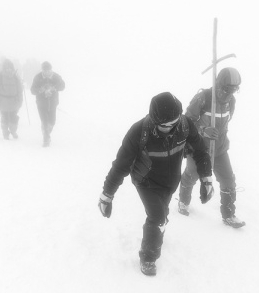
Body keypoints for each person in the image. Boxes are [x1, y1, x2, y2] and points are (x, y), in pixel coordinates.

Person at [98, 92, 213, 276]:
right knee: (158, 217)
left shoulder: (184, 125)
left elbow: (200, 150)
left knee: (163, 213)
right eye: (165, 125)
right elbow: (120, 166)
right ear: (154, 119)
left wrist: (206, 178)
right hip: (146, 182)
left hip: (171, 181)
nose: (171, 128)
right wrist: (107, 195)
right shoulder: (138, 132)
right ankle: (148, 257)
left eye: (174, 122)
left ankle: (157, 230)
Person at [177, 67, 245, 228]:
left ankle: (228, 215)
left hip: (220, 149)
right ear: (219, 84)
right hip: (198, 149)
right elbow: (186, 122)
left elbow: (226, 123)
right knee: (192, 175)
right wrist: (203, 130)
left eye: (234, 90)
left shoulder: (231, 102)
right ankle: (183, 202)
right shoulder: (203, 98)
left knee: (228, 179)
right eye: (227, 89)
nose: (230, 93)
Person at [30, 61, 65, 147]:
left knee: (52, 122)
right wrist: (40, 90)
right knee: (45, 122)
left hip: (53, 103)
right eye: (45, 71)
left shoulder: (56, 77)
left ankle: (46, 132)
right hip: (41, 104)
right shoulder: (37, 77)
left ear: (51, 69)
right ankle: (46, 139)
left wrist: (54, 88)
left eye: (49, 70)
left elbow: (63, 86)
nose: (47, 72)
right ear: (42, 70)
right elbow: (32, 90)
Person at [0, 59, 24, 140]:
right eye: (6, 68)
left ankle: (13, 131)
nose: (8, 70)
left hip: (14, 102)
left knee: (14, 118)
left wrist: (20, 101)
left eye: (10, 68)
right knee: (4, 119)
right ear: (3, 68)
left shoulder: (16, 78)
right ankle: (5, 133)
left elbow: (20, 91)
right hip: (2, 102)